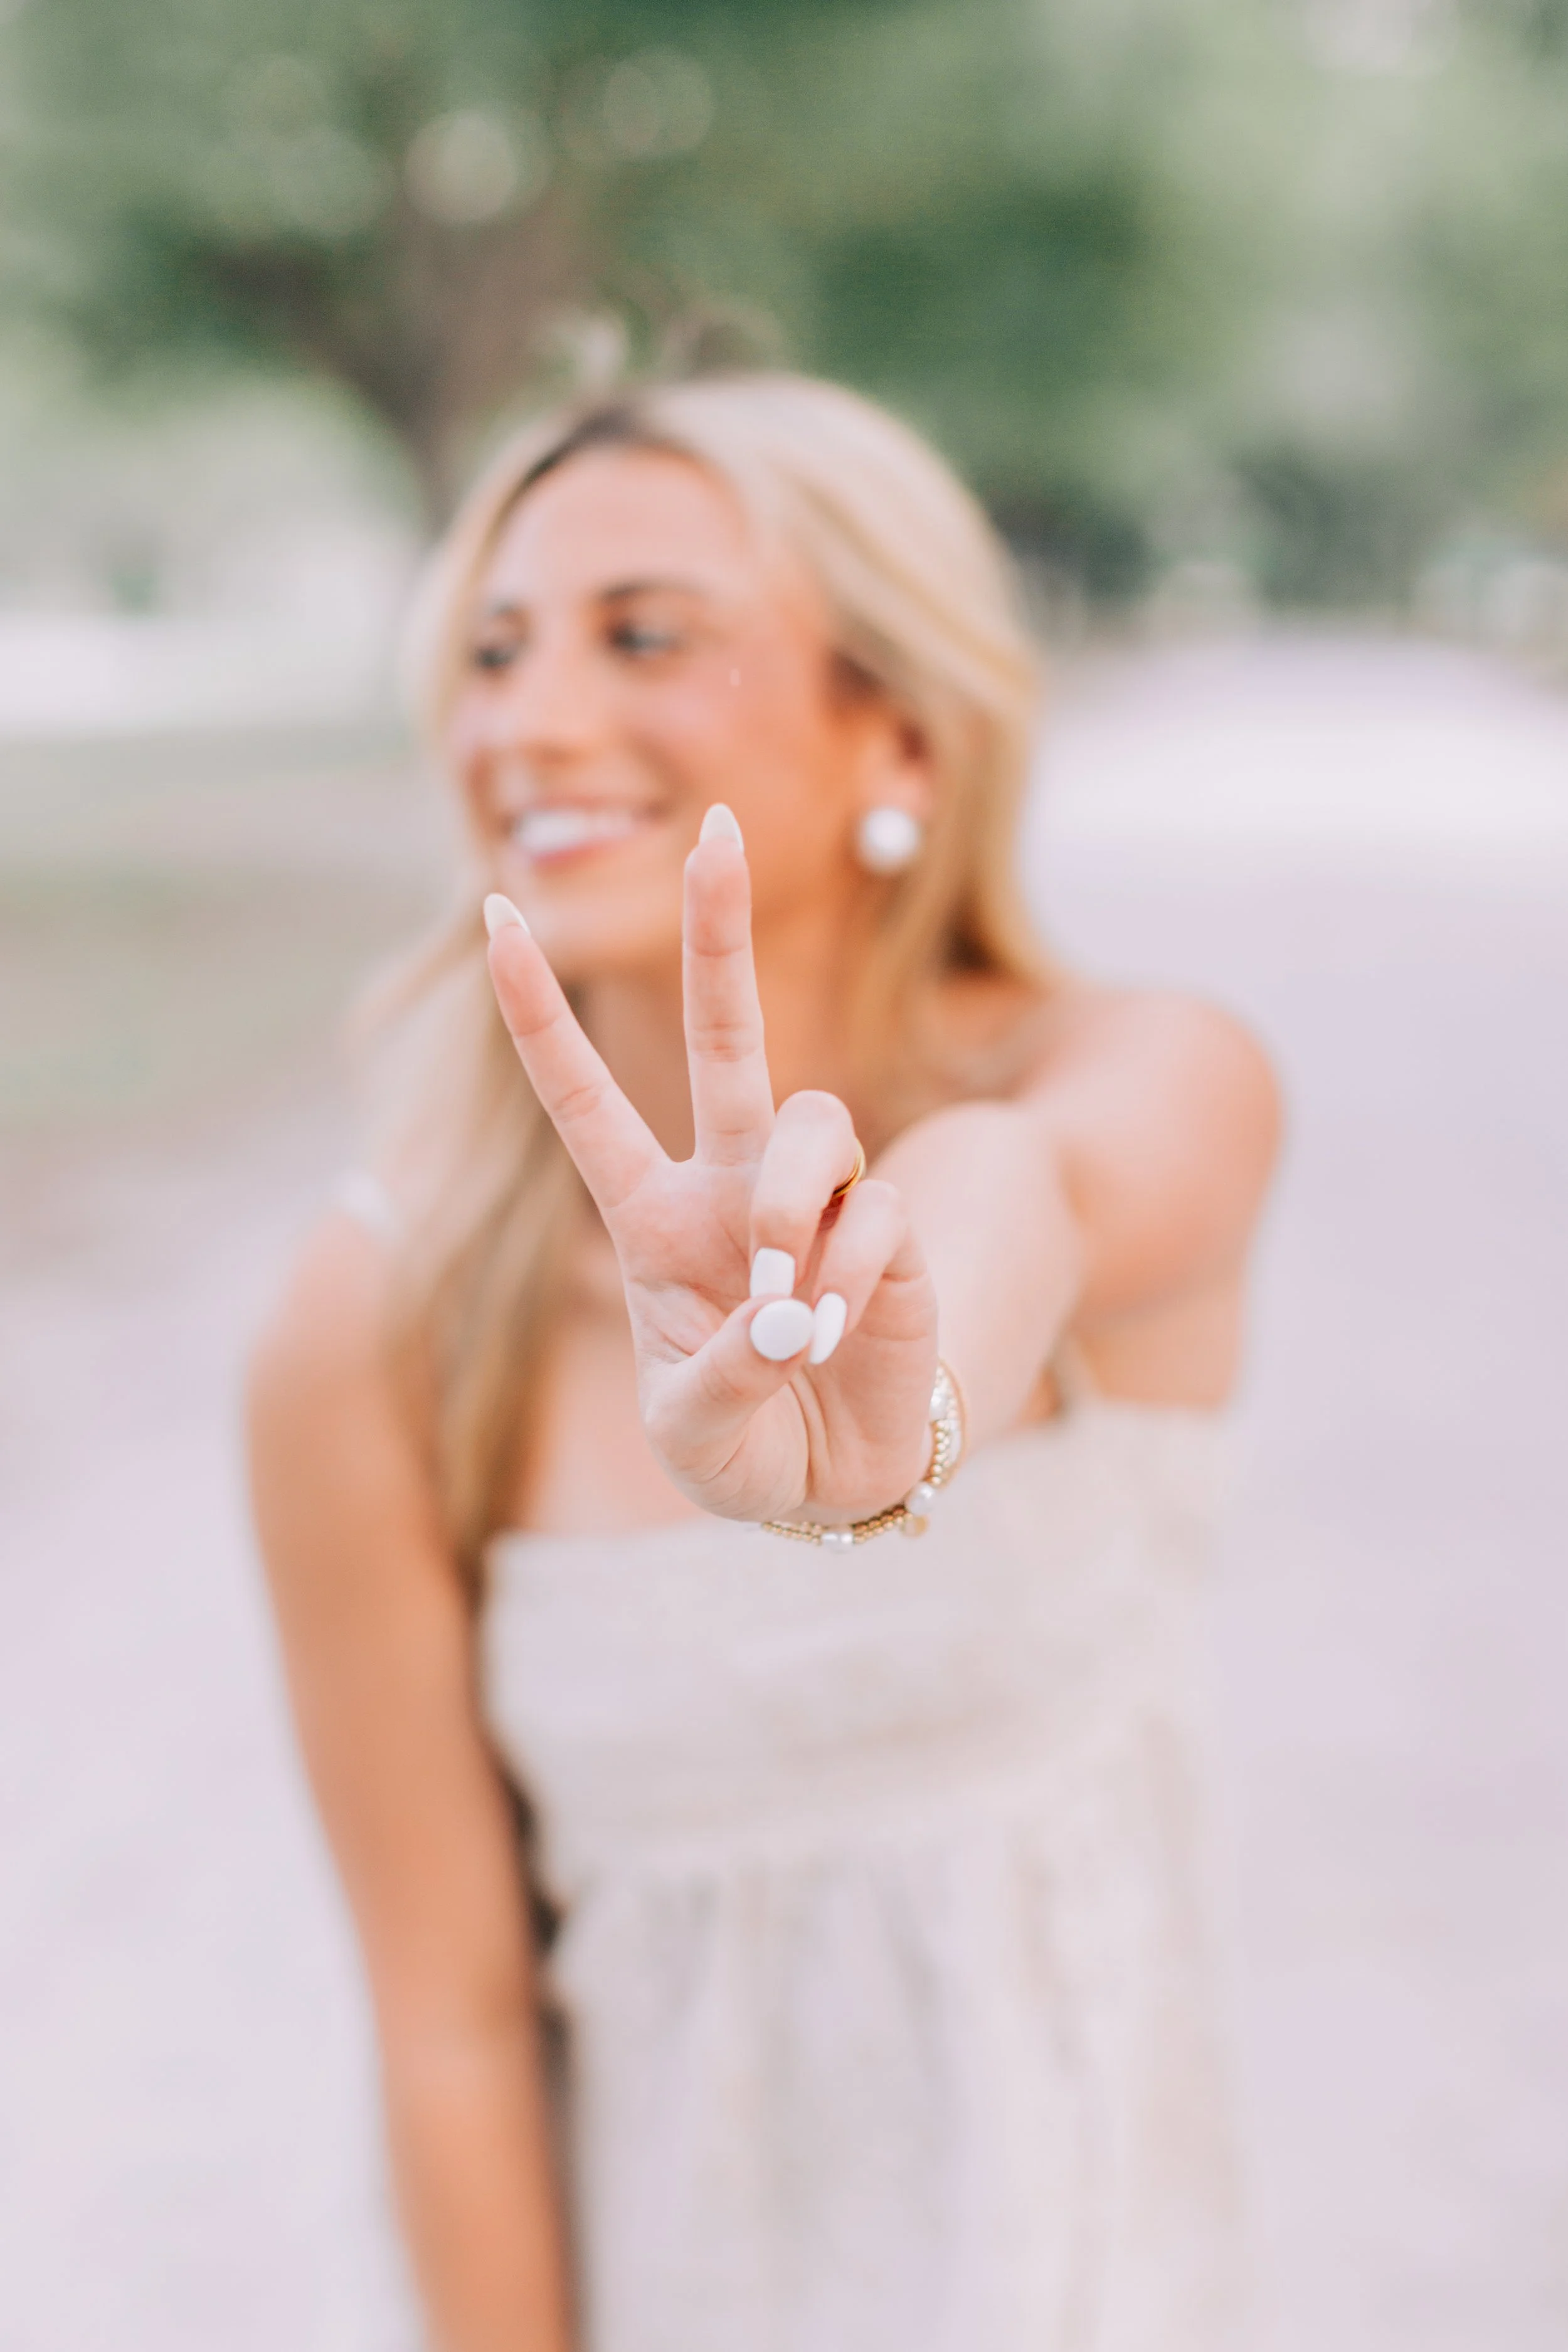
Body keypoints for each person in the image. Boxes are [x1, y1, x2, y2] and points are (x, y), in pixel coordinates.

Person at [247, 369, 1281, 2352]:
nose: (525, 720)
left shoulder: (1146, 1072)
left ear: (895, 723)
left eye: (645, 633)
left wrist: (896, 1391)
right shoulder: (368, 1325)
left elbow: (1023, 1183)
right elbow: (450, 2025)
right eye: (488, 649)